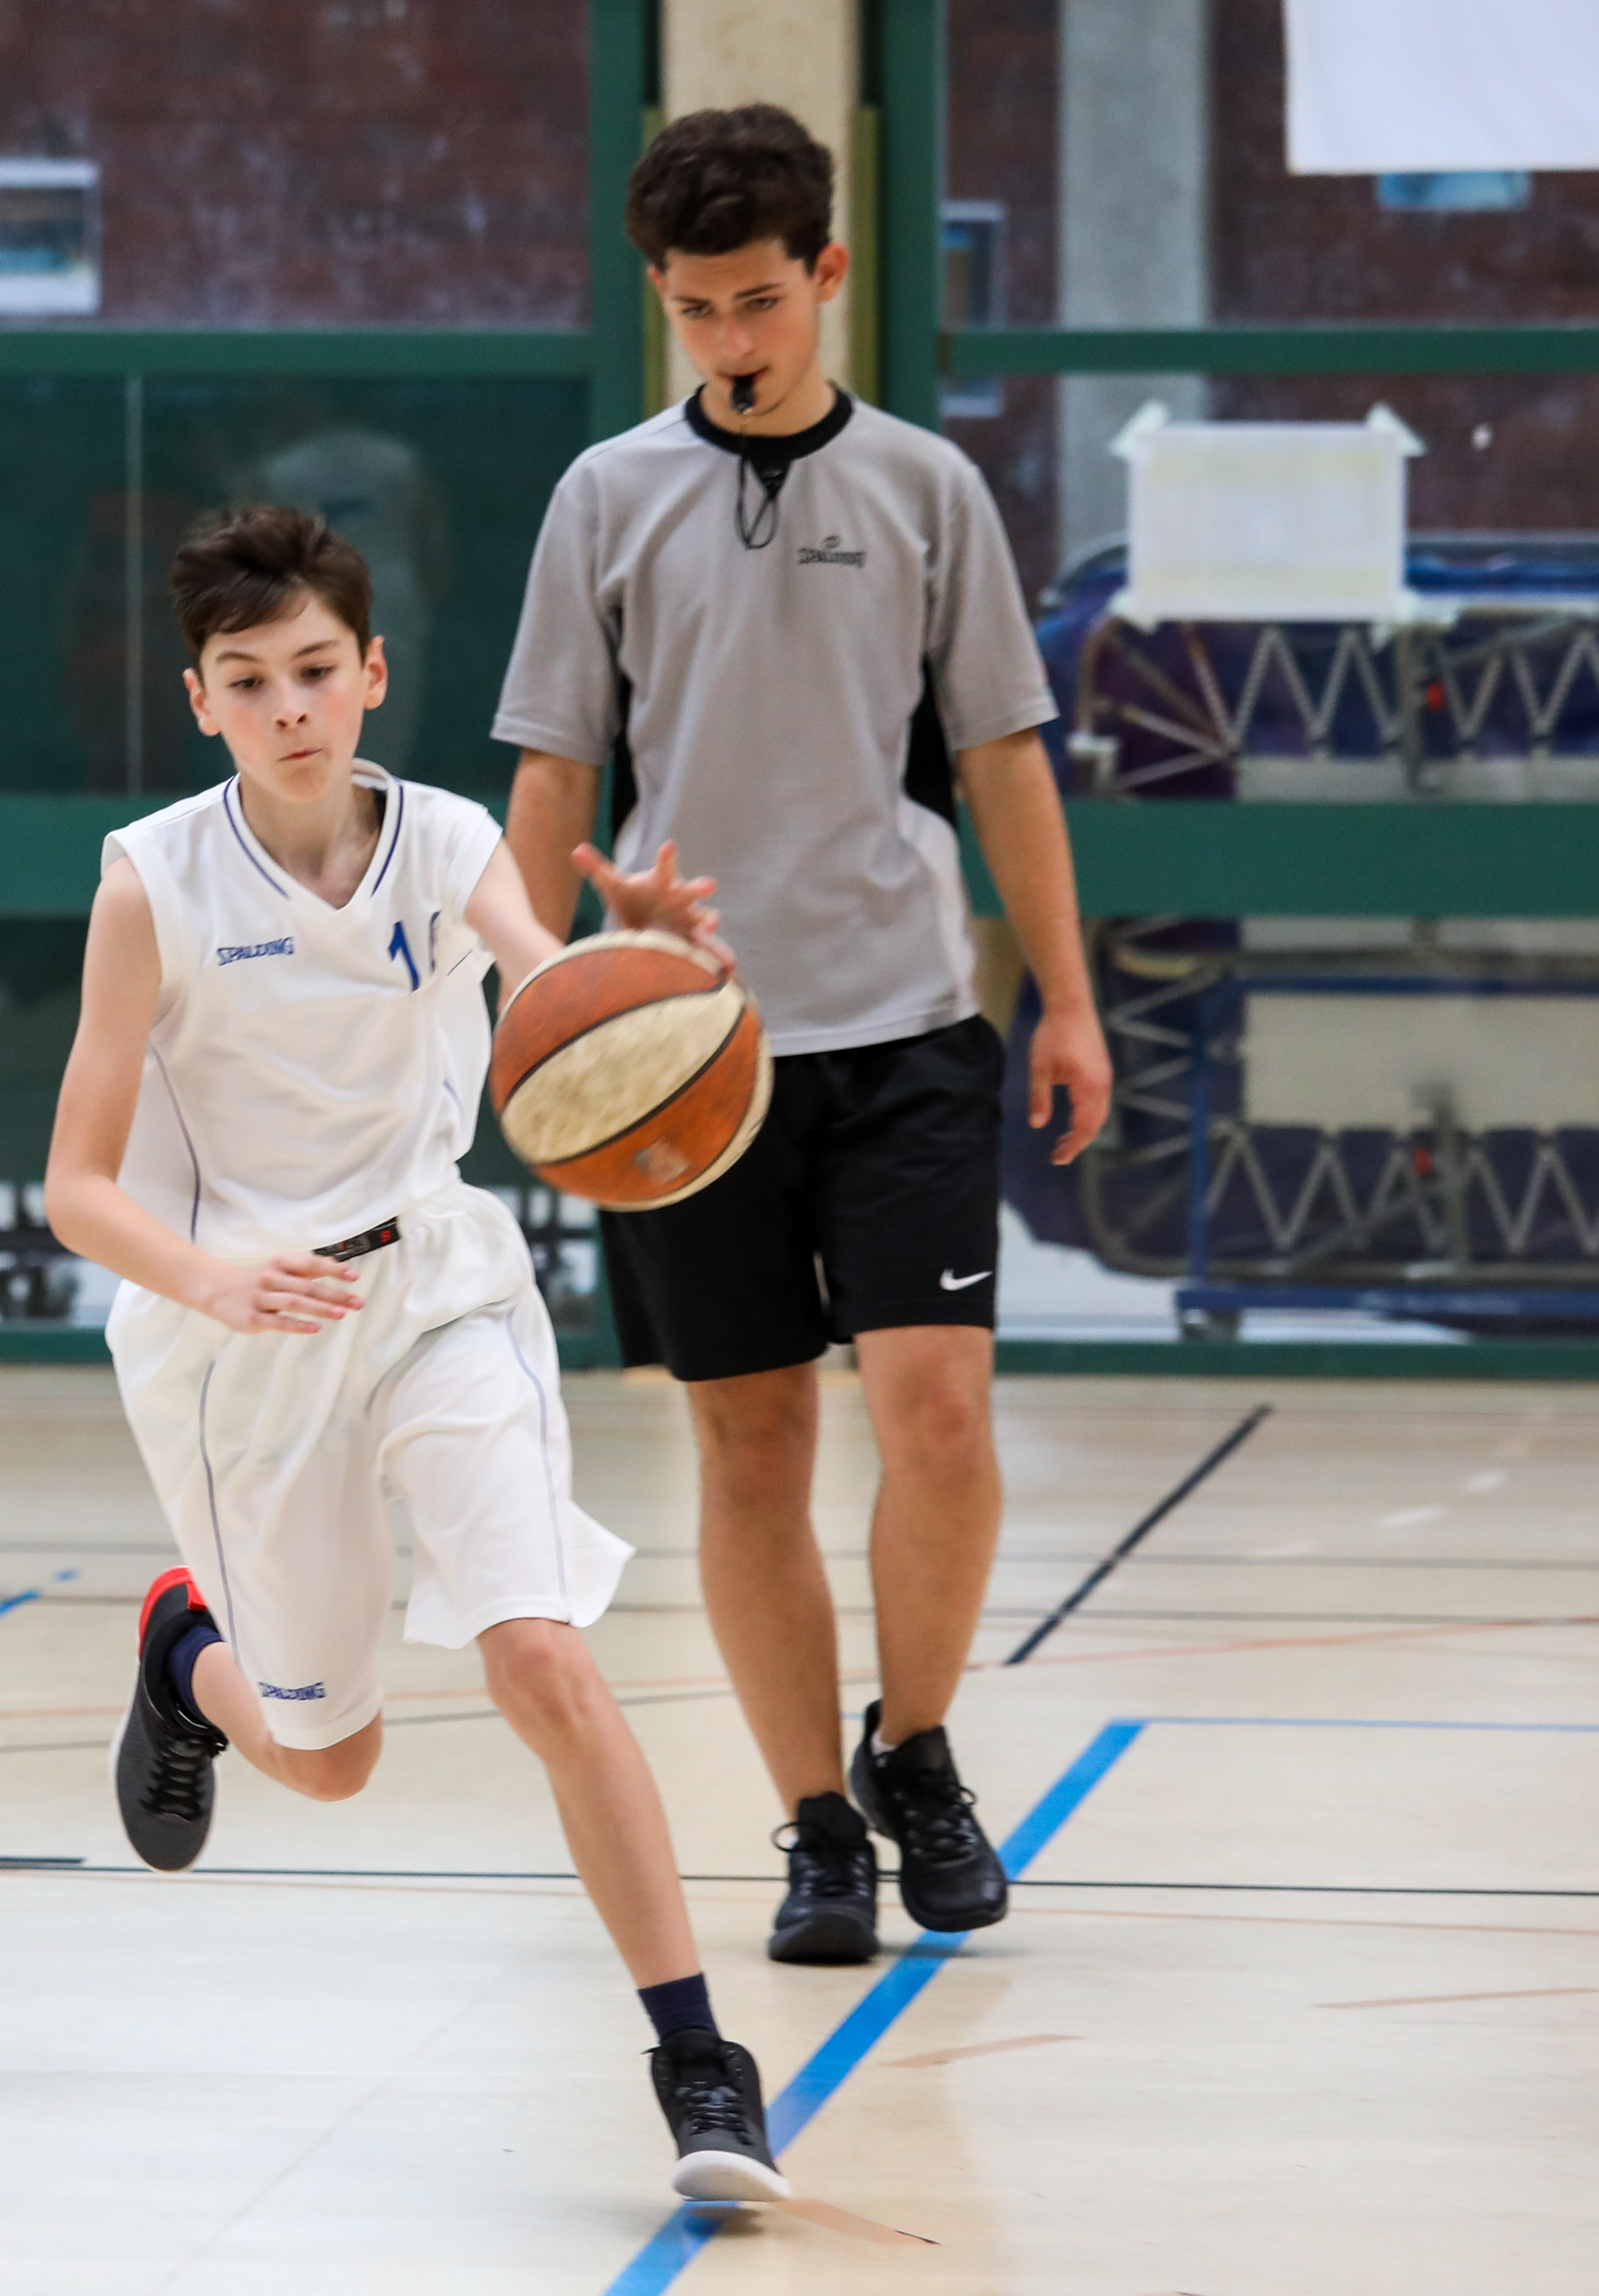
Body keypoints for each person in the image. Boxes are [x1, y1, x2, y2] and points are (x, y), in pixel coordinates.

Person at [47, 506, 788, 2202]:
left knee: (540, 1656)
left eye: (316, 669)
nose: (290, 706)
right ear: (200, 702)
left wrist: (652, 971)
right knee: (331, 1762)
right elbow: (78, 1187)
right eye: (249, 681)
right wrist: (216, 1277)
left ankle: (698, 2063)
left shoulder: (448, 840)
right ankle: (185, 1654)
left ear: (372, 673)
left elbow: (553, 993)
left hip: (440, 1289)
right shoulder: (150, 882)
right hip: (239, 1333)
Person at [492, 106, 1111, 1966]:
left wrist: (1066, 996)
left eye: (758, 301)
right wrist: (525, 998)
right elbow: (550, 773)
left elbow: (1002, 758)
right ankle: (818, 1827)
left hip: (904, 1021)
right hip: (684, 1052)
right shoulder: (605, 496)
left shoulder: (927, 488)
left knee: (937, 1413)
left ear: (826, 275)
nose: (730, 339)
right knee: (750, 1444)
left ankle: (913, 1750)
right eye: (693, 310)